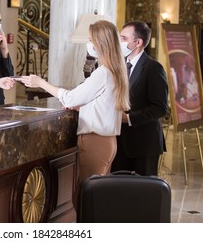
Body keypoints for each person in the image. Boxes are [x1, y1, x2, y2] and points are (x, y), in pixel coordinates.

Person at [18, 20, 130, 184]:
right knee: (95, 194)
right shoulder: (115, 71)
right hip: (108, 142)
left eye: (91, 40)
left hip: (95, 142)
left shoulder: (103, 73)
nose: (89, 44)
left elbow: (70, 97)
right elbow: (103, 105)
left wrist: (40, 83)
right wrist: (83, 108)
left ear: (101, 43)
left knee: (87, 197)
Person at [111, 21, 169, 176]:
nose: (119, 42)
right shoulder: (120, 65)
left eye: (123, 38)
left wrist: (129, 118)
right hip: (120, 141)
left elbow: (160, 107)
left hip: (144, 143)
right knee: (119, 190)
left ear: (138, 42)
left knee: (142, 194)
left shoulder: (153, 68)